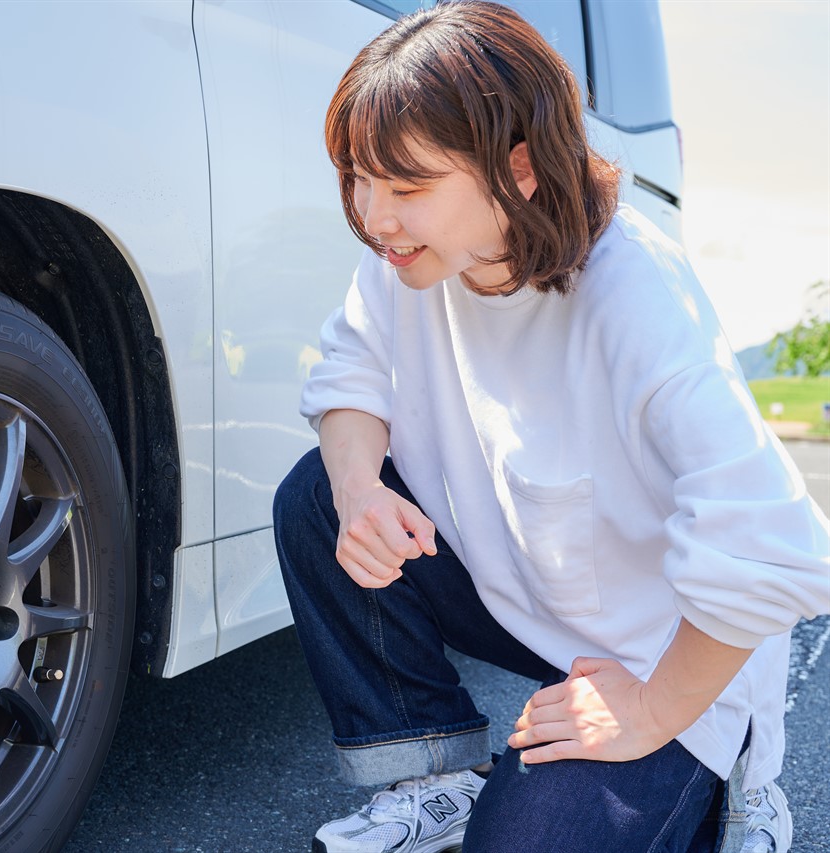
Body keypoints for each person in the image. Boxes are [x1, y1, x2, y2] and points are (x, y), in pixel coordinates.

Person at [271, 3, 830, 852]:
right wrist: (357, 493)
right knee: (318, 493)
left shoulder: (635, 292)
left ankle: (737, 774)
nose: (374, 214)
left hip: (660, 653)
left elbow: (769, 546)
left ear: (517, 170)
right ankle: (437, 776)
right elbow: (348, 379)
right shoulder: (410, 258)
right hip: (532, 594)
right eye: (359, 177)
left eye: (408, 186)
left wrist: (650, 709)